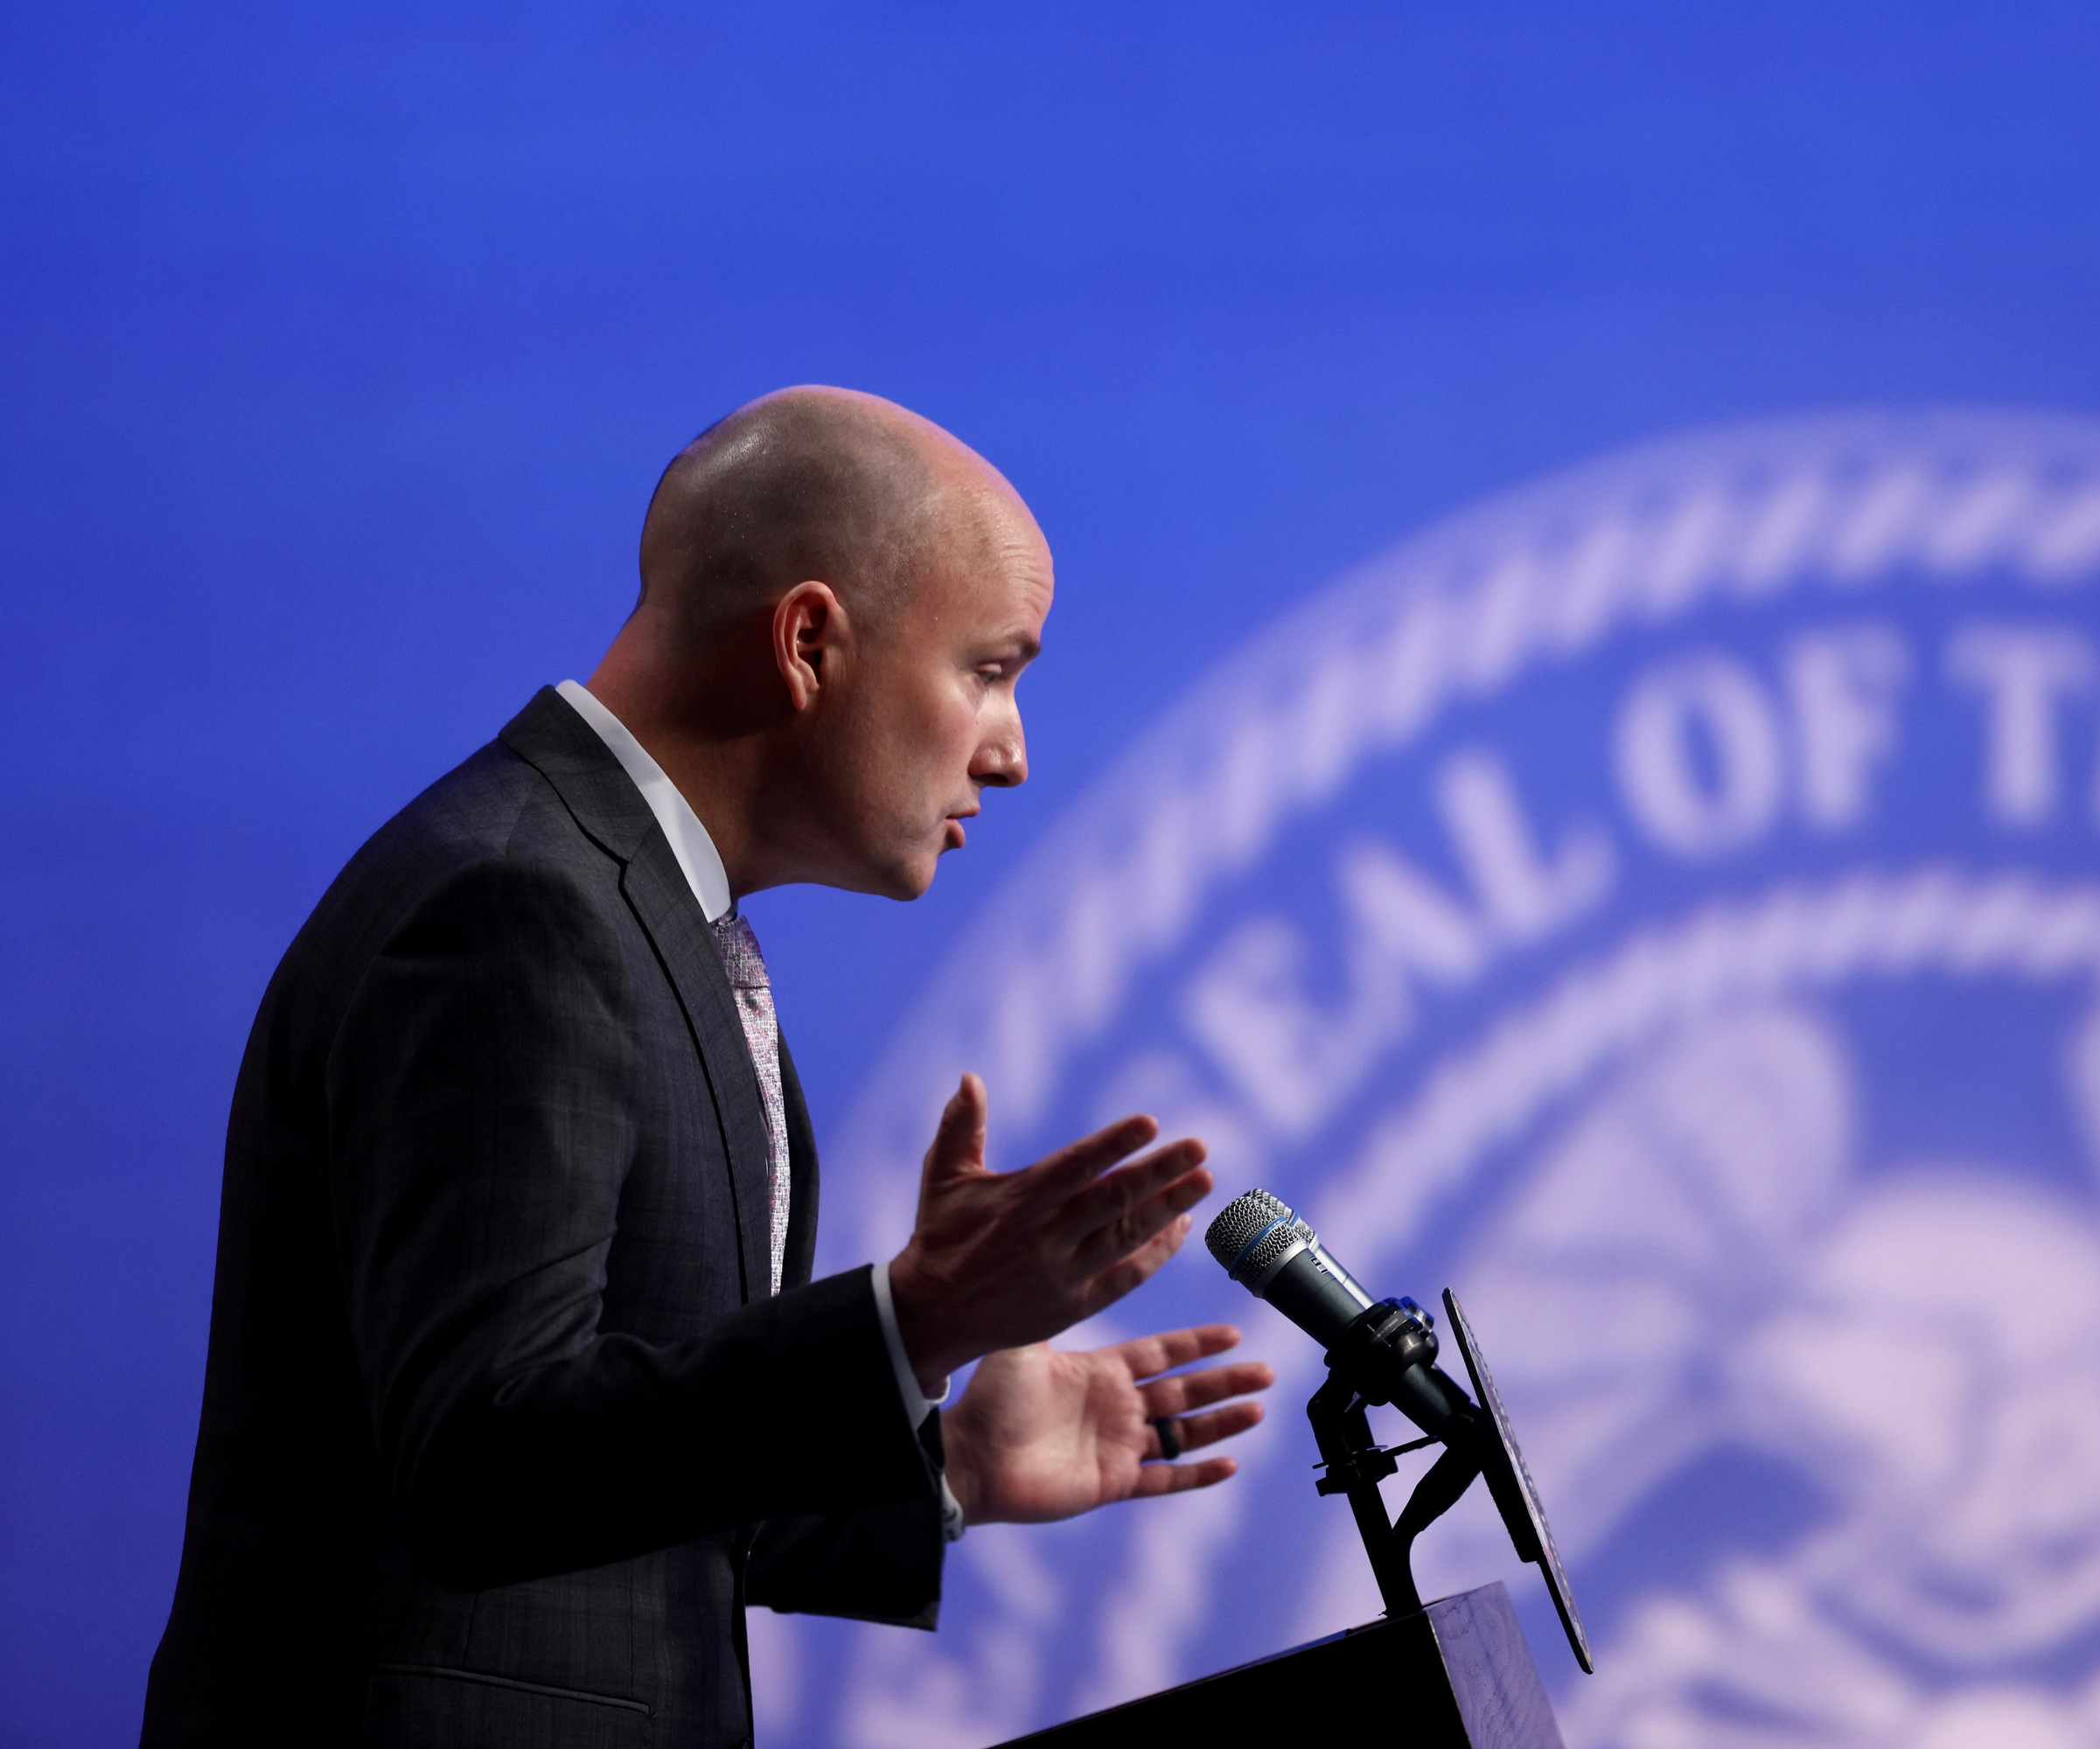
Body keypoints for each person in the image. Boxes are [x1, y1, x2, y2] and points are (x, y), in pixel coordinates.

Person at [141, 387, 1273, 1746]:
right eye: (989, 669)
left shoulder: (650, 925)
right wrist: (909, 1323)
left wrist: (946, 1458)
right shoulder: (515, 911)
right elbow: (485, 1464)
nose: (1014, 752)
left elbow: (621, 1479)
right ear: (807, 642)